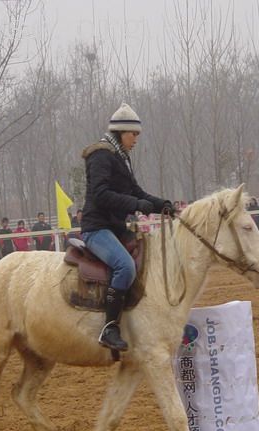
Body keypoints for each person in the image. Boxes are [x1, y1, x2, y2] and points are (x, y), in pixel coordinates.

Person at [80, 102, 172, 352]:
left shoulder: (121, 158)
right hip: (97, 229)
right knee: (125, 266)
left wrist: (160, 204)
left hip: (116, 228)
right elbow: (101, 195)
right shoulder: (101, 155)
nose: (136, 139)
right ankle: (109, 328)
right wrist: (137, 204)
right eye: (134, 134)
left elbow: (136, 192)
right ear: (121, 132)